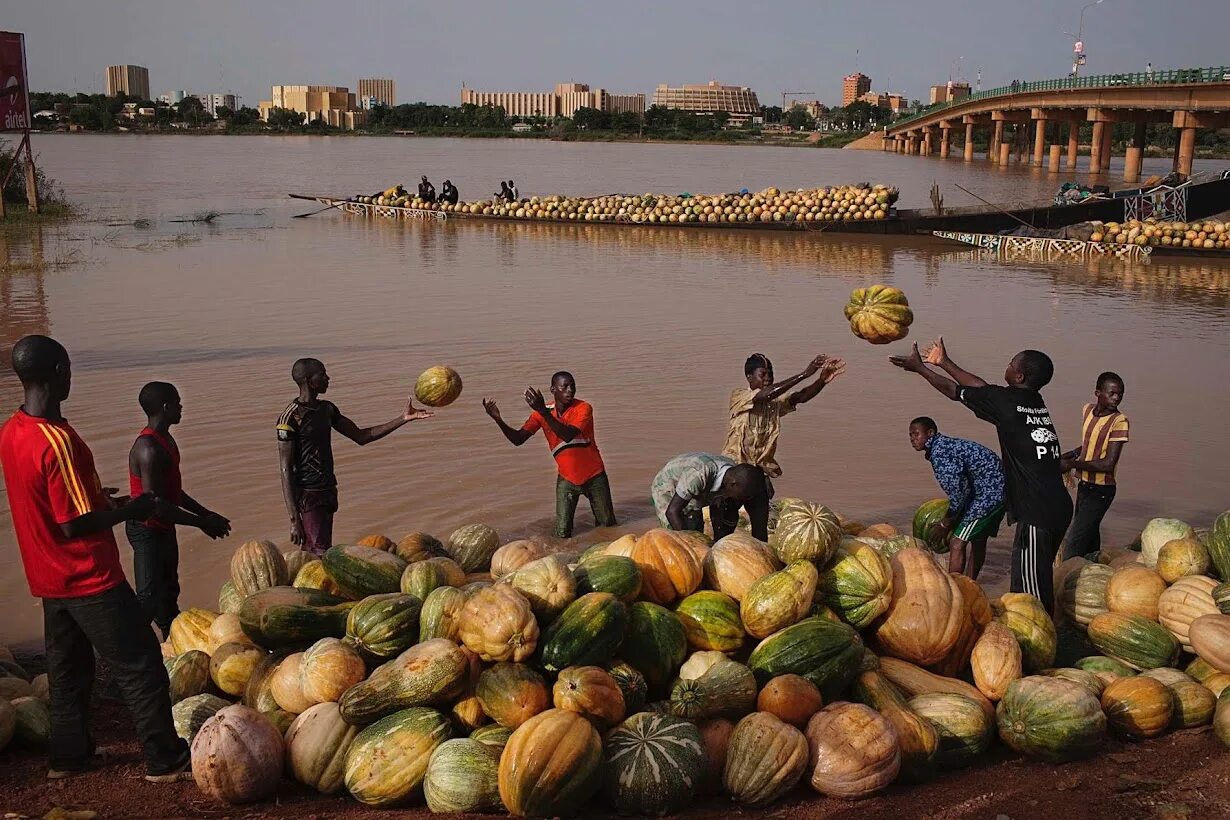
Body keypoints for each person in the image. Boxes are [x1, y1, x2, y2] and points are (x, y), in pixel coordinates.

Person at [0, 335, 190, 782]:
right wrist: (132, 510)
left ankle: (68, 757)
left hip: (46, 576)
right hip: (86, 575)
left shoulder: (13, 431)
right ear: (61, 372)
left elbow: (49, 502)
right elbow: (71, 524)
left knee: (68, 670)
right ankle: (166, 758)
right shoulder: (58, 438)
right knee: (141, 660)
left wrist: (98, 499)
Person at [889, 337, 1072, 612]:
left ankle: (1040, 644)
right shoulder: (1033, 402)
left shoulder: (1008, 405)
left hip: (1038, 512)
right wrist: (944, 362)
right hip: (1058, 505)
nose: (1007, 365)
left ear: (1018, 375)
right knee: (1034, 578)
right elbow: (982, 389)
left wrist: (922, 369)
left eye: (1011, 363)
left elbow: (955, 391)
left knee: (1030, 596)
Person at [277, 358, 433, 555]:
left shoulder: (327, 409)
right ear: (309, 380)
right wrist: (293, 519)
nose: (328, 378)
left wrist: (403, 419)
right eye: (322, 374)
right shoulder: (290, 418)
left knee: (319, 547)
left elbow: (361, 436)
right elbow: (285, 469)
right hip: (308, 493)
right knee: (318, 551)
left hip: (328, 487)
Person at [127, 382, 231, 640]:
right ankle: (130, 651)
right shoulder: (148, 448)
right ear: (166, 407)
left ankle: (170, 642)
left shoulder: (166, 441)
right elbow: (156, 506)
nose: (181, 407)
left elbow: (173, 493)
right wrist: (201, 523)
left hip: (163, 525)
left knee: (169, 591)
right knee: (148, 596)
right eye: (177, 403)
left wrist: (206, 514)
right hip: (146, 528)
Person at [482, 372, 616, 538]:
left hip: (595, 475)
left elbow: (567, 435)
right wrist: (498, 420)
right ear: (553, 389)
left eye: (572, 385)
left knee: (608, 526)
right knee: (562, 534)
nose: (570, 390)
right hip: (567, 479)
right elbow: (518, 439)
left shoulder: (584, 408)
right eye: (564, 386)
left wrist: (543, 412)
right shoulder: (540, 414)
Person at [907, 416, 1006, 579]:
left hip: (988, 495)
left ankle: (956, 587)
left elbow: (959, 493)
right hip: (995, 489)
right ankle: (969, 583)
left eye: (916, 434)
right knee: (978, 540)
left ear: (930, 433)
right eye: (910, 435)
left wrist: (945, 523)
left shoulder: (941, 454)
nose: (912, 439)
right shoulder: (944, 445)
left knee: (957, 542)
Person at [722, 353, 845, 478]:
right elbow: (766, 395)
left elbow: (800, 397)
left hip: (759, 468)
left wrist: (821, 381)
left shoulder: (774, 403)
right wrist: (803, 375)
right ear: (749, 378)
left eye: (770, 374)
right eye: (762, 374)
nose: (768, 378)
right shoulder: (739, 396)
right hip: (734, 465)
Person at [1060, 372, 1129, 560]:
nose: (1117, 398)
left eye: (1120, 394)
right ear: (1098, 393)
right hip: (1085, 485)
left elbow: (1107, 464)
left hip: (1101, 490)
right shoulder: (1087, 411)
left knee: (1074, 541)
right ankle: (1093, 567)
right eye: (1112, 393)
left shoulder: (1119, 422)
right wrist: (1069, 455)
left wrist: (1071, 464)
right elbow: (1090, 444)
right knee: (1089, 536)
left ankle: (1063, 578)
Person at [651, 453, 771, 541]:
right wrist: (688, 544)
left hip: (701, 488)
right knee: (680, 533)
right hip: (668, 488)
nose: (742, 500)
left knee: (700, 532)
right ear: (733, 484)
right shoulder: (699, 474)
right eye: (743, 496)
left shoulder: (733, 478)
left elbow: (758, 528)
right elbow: (672, 512)